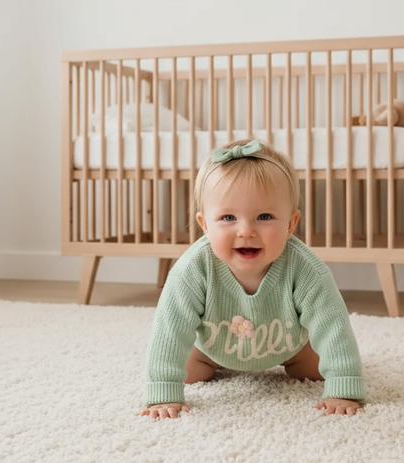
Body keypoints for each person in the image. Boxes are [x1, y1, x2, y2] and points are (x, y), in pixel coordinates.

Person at [141, 138, 365, 420]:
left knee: (315, 369)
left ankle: (302, 360)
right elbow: (169, 331)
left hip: (290, 347)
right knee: (189, 372)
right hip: (211, 350)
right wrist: (163, 392)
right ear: (205, 225)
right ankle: (206, 362)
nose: (246, 230)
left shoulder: (306, 269)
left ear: (290, 224)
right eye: (228, 218)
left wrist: (344, 387)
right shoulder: (192, 270)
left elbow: (333, 327)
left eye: (264, 216)